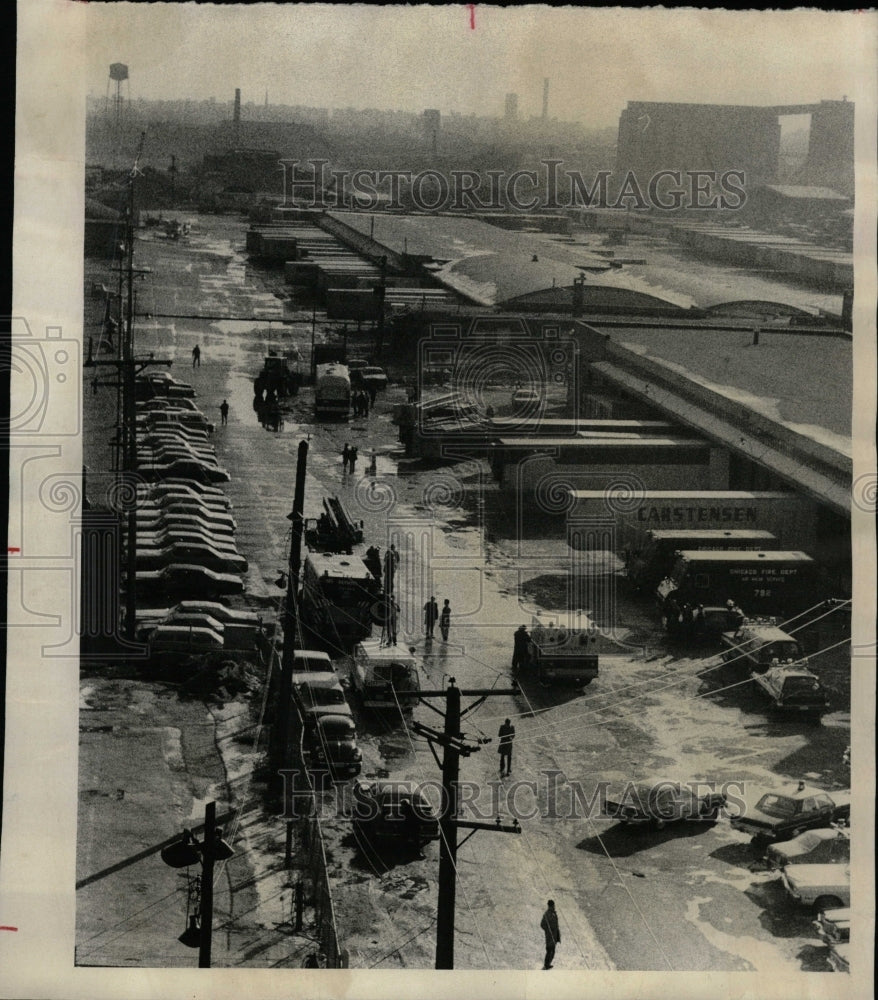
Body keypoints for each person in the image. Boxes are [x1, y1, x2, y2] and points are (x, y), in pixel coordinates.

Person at [540, 900, 560, 969]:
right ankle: (546, 965)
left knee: (553, 951)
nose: (554, 906)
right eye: (553, 905)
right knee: (549, 950)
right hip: (549, 936)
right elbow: (542, 924)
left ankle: (548, 963)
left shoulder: (554, 913)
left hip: (554, 935)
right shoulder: (547, 914)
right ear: (550, 906)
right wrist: (548, 930)